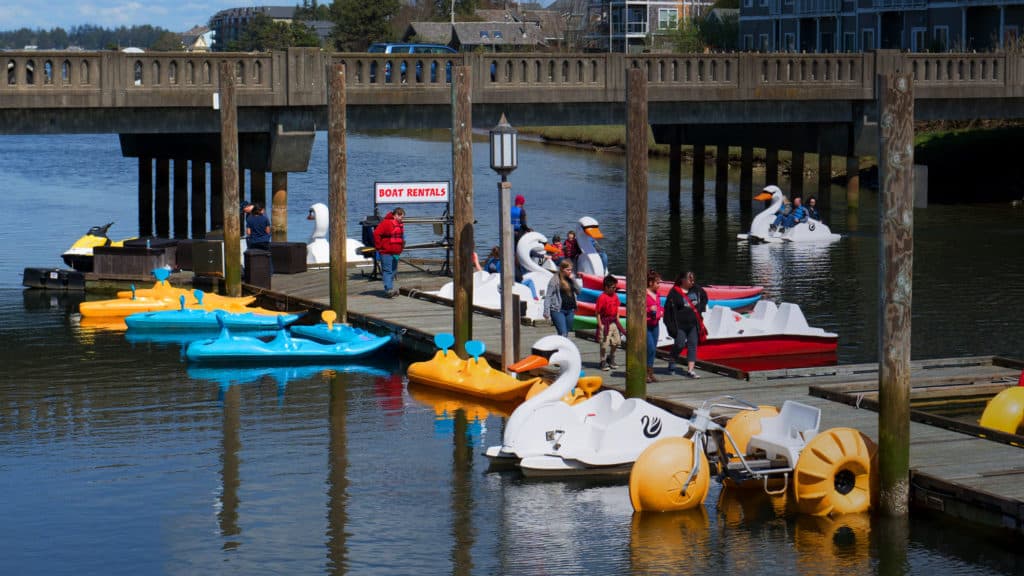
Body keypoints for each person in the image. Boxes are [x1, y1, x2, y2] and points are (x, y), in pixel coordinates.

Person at [663, 271, 707, 379]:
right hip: (680, 325)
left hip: (693, 324)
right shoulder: (674, 292)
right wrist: (671, 326)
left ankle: (691, 370)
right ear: (683, 280)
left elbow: (705, 297)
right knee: (680, 344)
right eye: (690, 279)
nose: (692, 281)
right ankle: (673, 358)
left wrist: (700, 308)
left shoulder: (696, 289)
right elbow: (668, 311)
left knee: (692, 345)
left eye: (693, 279)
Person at [373, 206, 405, 298]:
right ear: (395, 215)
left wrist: (401, 248)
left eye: (402, 217)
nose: (402, 219)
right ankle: (389, 289)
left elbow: (401, 237)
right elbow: (376, 233)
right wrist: (379, 246)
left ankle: (389, 288)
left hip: (396, 252)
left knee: (394, 271)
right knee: (387, 271)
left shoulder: (400, 224)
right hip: (386, 251)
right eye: (401, 217)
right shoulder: (386, 223)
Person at [595, 275, 625, 371]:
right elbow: (598, 312)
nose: (614, 289)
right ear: (606, 287)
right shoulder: (602, 297)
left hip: (613, 322)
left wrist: (618, 321)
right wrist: (600, 325)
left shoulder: (615, 296)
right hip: (605, 322)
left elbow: (616, 310)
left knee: (616, 342)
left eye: (615, 287)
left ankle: (611, 357)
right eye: (613, 287)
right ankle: (602, 361)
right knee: (604, 344)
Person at [543, 259, 579, 337]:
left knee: (567, 331)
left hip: (570, 310)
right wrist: (546, 311)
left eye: (571, 270)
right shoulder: (555, 280)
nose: (570, 271)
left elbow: (578, 291)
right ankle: (562, 347)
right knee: (563, 333)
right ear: (562, 269)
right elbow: (548, 296)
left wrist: (574, 280)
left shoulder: (570, 279)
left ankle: (560, 345)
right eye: (568, 270)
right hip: (558, 310)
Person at [645, 269, 664, 383]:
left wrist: (661, 311)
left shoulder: (657, 294)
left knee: (653, 350)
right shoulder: (644, 294)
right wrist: (649, 309)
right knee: (650, 348)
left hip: (655, 324)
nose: (659, 285)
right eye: (657, 283)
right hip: (646, 325)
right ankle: (645, 373)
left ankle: (650, 372)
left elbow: (659, 306)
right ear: (650, 282)